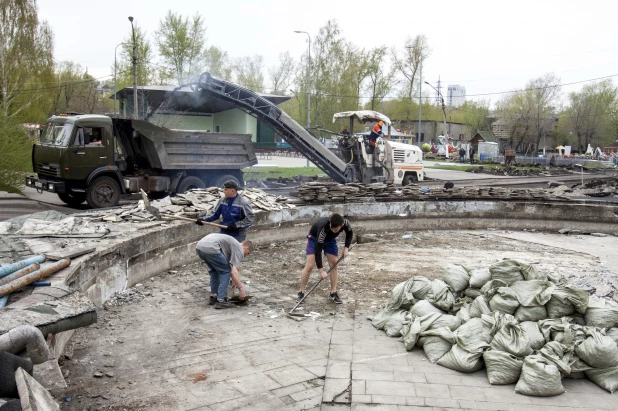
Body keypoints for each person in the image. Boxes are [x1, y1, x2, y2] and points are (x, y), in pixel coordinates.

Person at [298, 213, 353, 304]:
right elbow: (318, 250)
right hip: (314, 239)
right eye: (331, 227)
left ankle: (333, 293)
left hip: (330, 240)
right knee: (310, 265)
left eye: (335, 230)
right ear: (330, 222)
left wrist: (346, 248)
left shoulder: (346, 223)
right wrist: (321, 270)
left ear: (341, 226)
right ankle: (301, 291)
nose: (332, 230)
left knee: (334, 263)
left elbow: (350, 232)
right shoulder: (323, 229)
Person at [195, 233, 253, 309]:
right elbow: (233, 272)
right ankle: (221, 300)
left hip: (199, 247)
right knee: (225, 272)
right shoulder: (239, 248)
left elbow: (234, 267)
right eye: (247, 253)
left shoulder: (233, 243)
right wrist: (241, 289)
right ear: (247, 248)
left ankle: (213, 296)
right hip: (211, 248)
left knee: (214, 271)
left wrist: (235, 279)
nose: (245, 256)